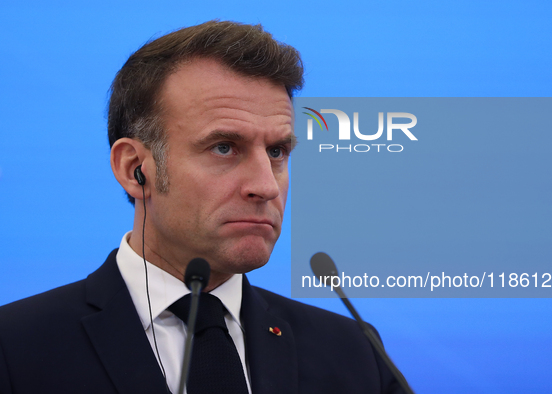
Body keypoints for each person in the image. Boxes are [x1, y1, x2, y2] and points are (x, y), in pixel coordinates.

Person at [0, 20, 408, 393]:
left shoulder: (354, 353)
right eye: (224, 147)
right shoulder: (15, 348)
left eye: (278, 151)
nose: (266, 186)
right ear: (135, 169)